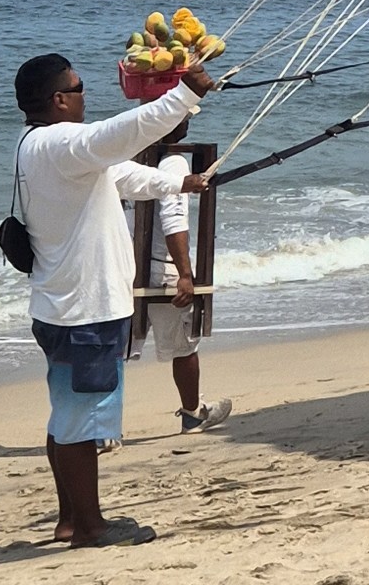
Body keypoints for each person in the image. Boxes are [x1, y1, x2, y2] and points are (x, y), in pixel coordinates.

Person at [11, 49, 216, 546]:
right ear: (59, 100)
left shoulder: (34, 142)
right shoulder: (64, 143)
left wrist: (178, 182)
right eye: (80, 89)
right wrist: (187, 93)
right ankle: (90, 526)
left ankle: (69, 519)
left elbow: (118, 172)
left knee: (67, 414)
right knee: (82, 418)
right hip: (85, 310)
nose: (87, 97)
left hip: (60, 305)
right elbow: (129, 131)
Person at [131, 127, 229, 436]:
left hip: (123, 264)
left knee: (115, 348)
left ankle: (100, 427)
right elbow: (173, 219)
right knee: (184, 347)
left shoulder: (124, 149)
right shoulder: (173, 162)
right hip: (161, 267)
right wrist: (186, 274)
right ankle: (192, 414)